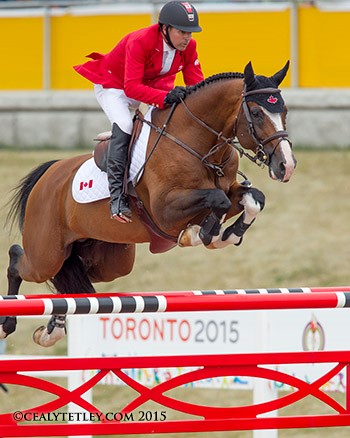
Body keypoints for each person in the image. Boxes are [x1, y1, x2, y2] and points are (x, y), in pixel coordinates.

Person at [74, 1, 204, 223]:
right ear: (165, 28)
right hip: (114, 87)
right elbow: (131, 88)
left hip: (149, 88)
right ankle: (116, 198)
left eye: (190, 33)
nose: (187, 38)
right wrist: (164, 98)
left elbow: (197, 86)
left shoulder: (188, 48)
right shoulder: (140, 41)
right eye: (182, 32)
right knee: (125, 124)